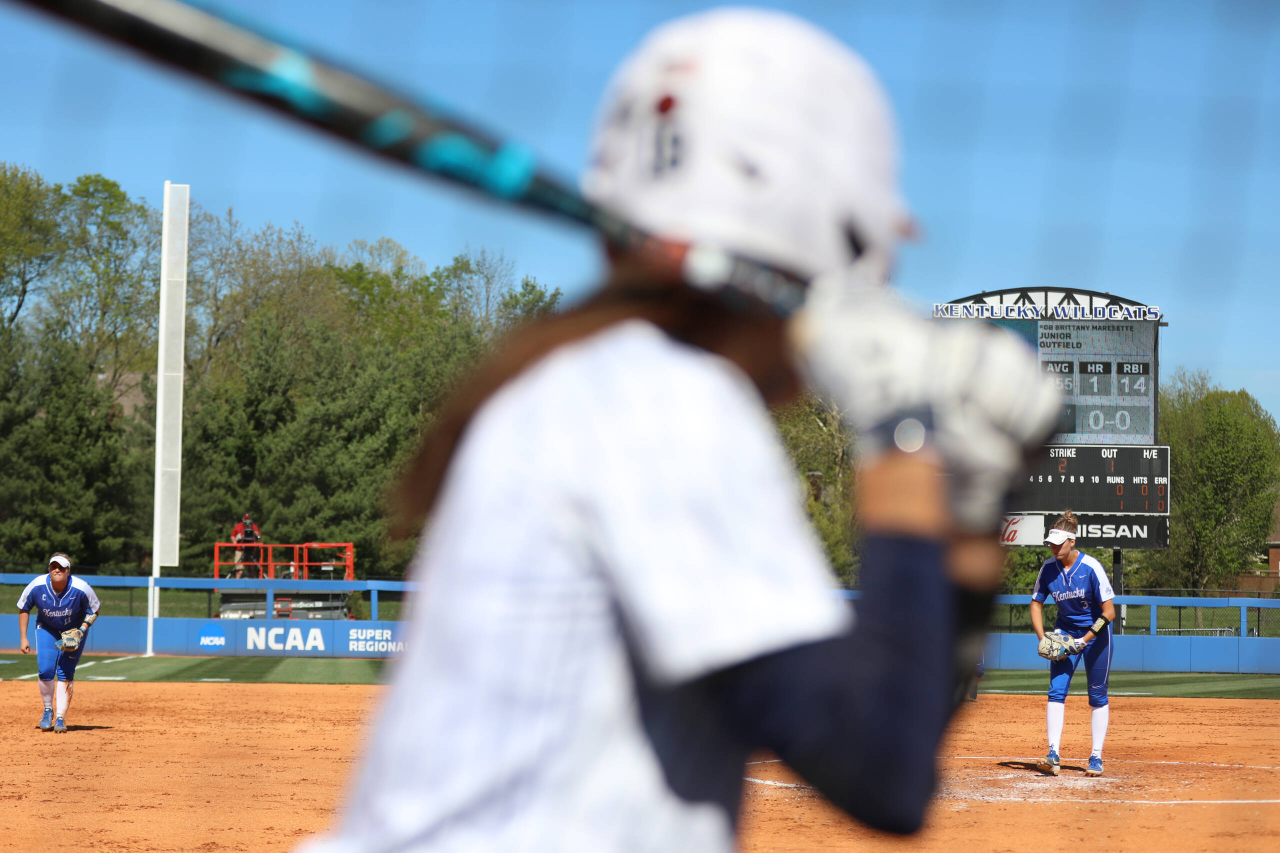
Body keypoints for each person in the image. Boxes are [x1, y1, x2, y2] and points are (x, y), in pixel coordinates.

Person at [301, 10, 1059, 853]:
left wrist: (969, 503)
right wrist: (902, 434)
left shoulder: (599, 387)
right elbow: (877, 767)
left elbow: (903, 741)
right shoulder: (659, 406)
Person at [1031, 510, 1117, 777]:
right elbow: (1036, 604)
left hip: (1096, 636)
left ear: (1072, 541)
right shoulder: (1048, 569)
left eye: (1058, 542)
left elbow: (1109, 612)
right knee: (1056, 690)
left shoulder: (1091, 567)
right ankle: (1053, 754)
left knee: (1097, 695)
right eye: (1051, 543)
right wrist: (1044, 637)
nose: (1054, 547)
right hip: (1064, 635)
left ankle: (1096, 757)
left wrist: (1085, 639)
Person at [16, 553, 101, 734]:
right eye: (54, 566)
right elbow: (24, 608)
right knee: (45, 669)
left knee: (65, 671)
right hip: (47, 628)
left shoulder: (81, 588)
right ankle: (48, 710)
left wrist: (82, 629)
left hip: (75, 631)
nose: (57, 570)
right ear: (49, 568)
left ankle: (61, 718)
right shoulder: (37, 585)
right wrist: (23, 637)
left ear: (68, 570)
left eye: (61, 567)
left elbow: (95, 609)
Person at [230, 512, 262, 579]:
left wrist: (255, 534)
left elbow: (258, 536)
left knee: (250, 569)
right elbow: (232, 535)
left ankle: (251, 587)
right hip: (240, 549)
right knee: (239, 570)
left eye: (248, 519)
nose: (246, 521)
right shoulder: (238, 526)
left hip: (250, 549)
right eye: (245, 519)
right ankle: (237, 586)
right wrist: (235, 541)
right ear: (242, 519)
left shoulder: (254, 526)